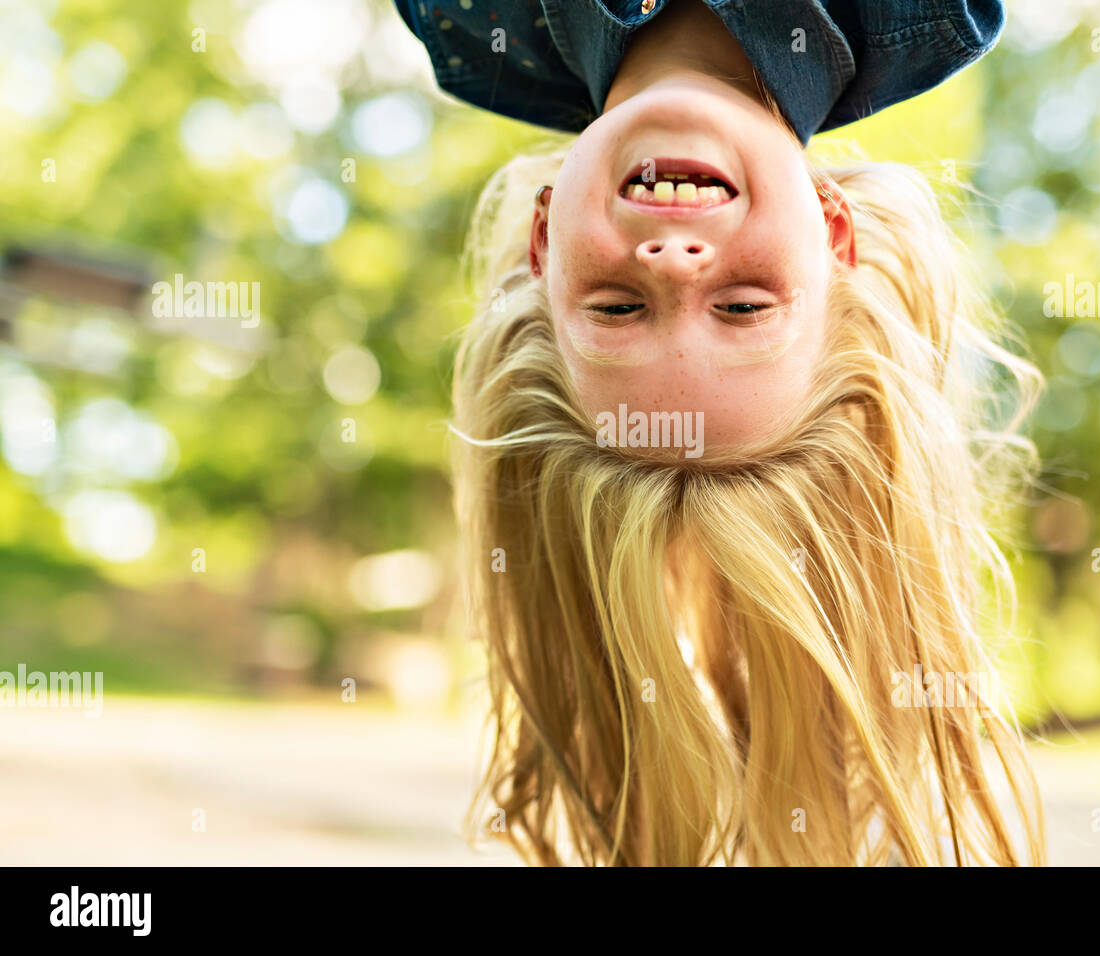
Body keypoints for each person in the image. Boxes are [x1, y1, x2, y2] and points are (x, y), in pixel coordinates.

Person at [397, 0, 1046, 865]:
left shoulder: (467, 30)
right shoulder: (933, 13)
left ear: (544, 242)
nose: (673, 264)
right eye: (743, 309)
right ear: (831, 231)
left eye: (619, 310)